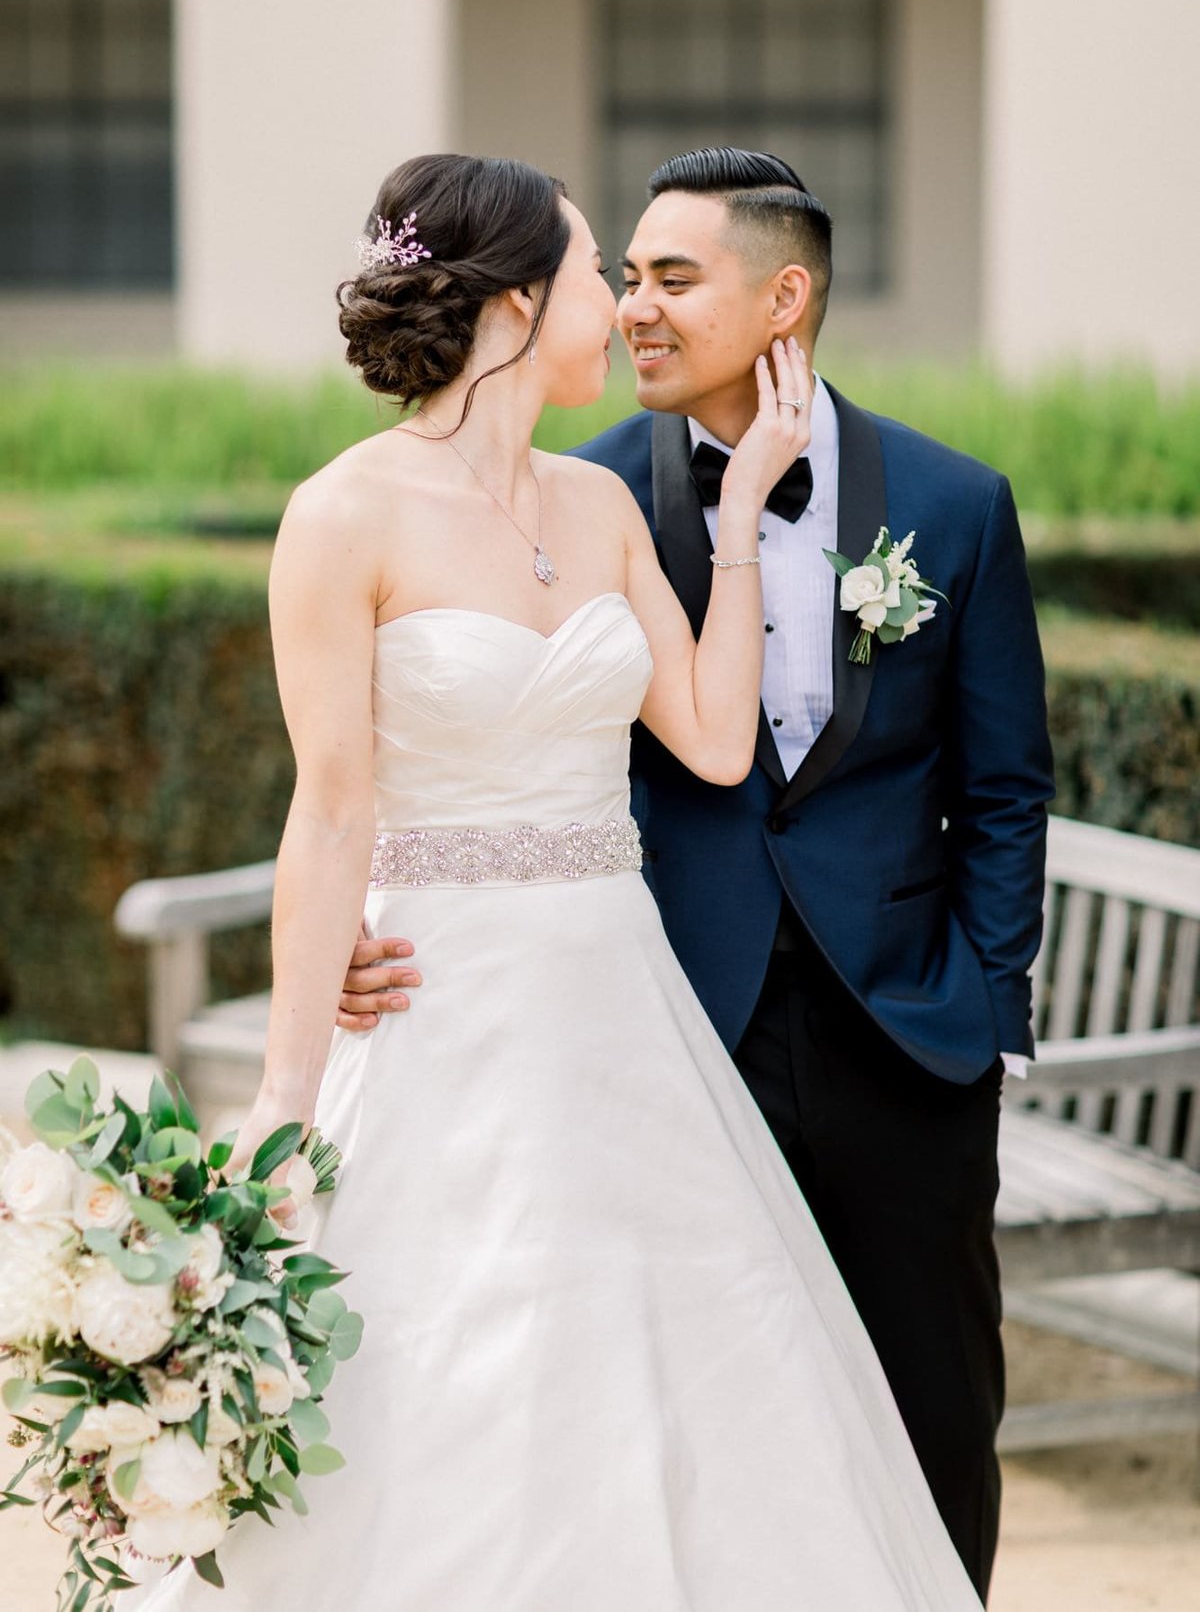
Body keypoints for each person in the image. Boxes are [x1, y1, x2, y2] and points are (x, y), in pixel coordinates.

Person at [130, 153, 979, 1610]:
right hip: (443, 1011)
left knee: (682, 1362)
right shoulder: (344, 517)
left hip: (616, 1013)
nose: (620, 306)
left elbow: (715, 741)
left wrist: (744, 516)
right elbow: (330, 813)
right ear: (520, 307)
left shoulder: (596, 517)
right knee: (458, 1367)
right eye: (598, 274)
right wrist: (283, 1094)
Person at [339, 148, 1056, 1603]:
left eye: (673, 278)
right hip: (664, 1031)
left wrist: (983, 1003)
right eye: (626, 278)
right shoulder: (578, 498)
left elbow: (1005, 788)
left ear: (783, 296)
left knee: (929, 1411)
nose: (636, 307)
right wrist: (373, 917)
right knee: (686, 1423)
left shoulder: (955, 501)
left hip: (907, 1036)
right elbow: (418, 748)